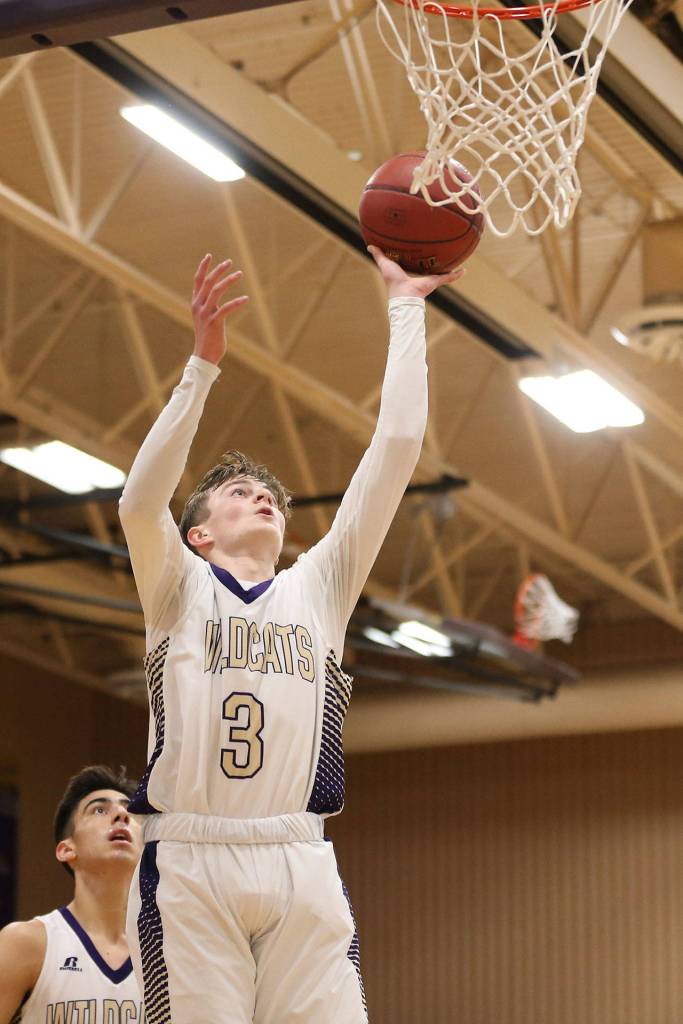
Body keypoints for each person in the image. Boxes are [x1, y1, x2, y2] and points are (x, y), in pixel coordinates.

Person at [119, 246, 464, 1024]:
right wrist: (201, 369)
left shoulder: (321, 587)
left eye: (271, 495)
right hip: (189, 857)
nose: (263, 498)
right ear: (200, 535)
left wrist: (406, 305)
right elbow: (140, 504)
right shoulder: (178, 589)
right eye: (239, 494)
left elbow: (398, 446)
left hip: (299, 854)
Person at [0, 765, 144, 1024]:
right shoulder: (25, 943)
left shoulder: (167, 953)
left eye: (130, 810)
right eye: (99, 810)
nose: (122, 815)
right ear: (66, 850)